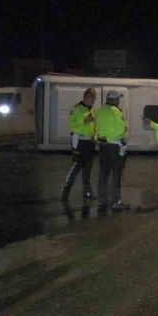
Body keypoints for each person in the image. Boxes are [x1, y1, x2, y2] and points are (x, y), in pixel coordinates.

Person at [61, 88, 97, 219]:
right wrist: (84, 121)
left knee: (88, 169)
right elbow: (71, 125)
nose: (94, 100)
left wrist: (95, 137)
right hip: (79, 142)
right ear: (86, 96)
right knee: (76, 168)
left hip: (89, 143)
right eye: (93, 97)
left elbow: (94, 126)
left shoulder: (91, 109)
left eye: (95, 98)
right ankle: (65, 192)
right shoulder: (77, 108)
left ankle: (87, 191)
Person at [95, 90, 128, 214]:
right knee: (116, 174)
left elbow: (97, 128)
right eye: (118, 98)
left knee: (103, 173)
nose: (119, 100)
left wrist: (102, 139)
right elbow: (120, 130)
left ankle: (102, 200)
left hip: (103, 146)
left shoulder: (100, 110)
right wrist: (123, 128)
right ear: (114, 99)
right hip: (115, 146)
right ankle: (116, 201)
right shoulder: (115, 111)